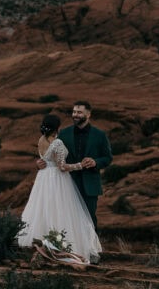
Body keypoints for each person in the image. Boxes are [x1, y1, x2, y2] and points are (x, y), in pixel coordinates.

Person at [17, 113, 102, 265]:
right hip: (57, 179)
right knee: (63, 210)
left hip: (43, 178)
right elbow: (62, 167)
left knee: (42, 208)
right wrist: (80, 165)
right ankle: (62, 245)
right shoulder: (58, 143)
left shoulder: (41, 140)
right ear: (57, 127)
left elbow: (45, 160)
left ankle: (41, 242)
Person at [56, 100, 113, 230]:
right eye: (74, 111)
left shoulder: (100, 135)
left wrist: (95, 162)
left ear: (88, 115)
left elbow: (108, 158)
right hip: (68, 183)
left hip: (90, 184)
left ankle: (92, 249)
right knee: (67, 218)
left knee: (89, 219)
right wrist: (41, 163)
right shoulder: (63, 133)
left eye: (79, 112)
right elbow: (55, 156)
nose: (75, 115)